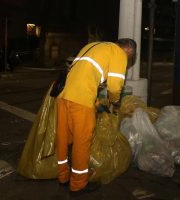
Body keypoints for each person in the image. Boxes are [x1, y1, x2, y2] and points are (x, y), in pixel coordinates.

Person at [56, 38, 137, 194]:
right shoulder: (119, 53)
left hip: (63, 97)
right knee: (82, 142)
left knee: (64, 138)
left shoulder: (93, 46)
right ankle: (78, 184)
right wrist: (115, 102)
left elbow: (82, 76)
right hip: (81, 102)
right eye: (129, 58)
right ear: (129, 51)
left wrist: (97, 102)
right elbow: (114, 86)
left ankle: (63, 177)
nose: (126, 60)